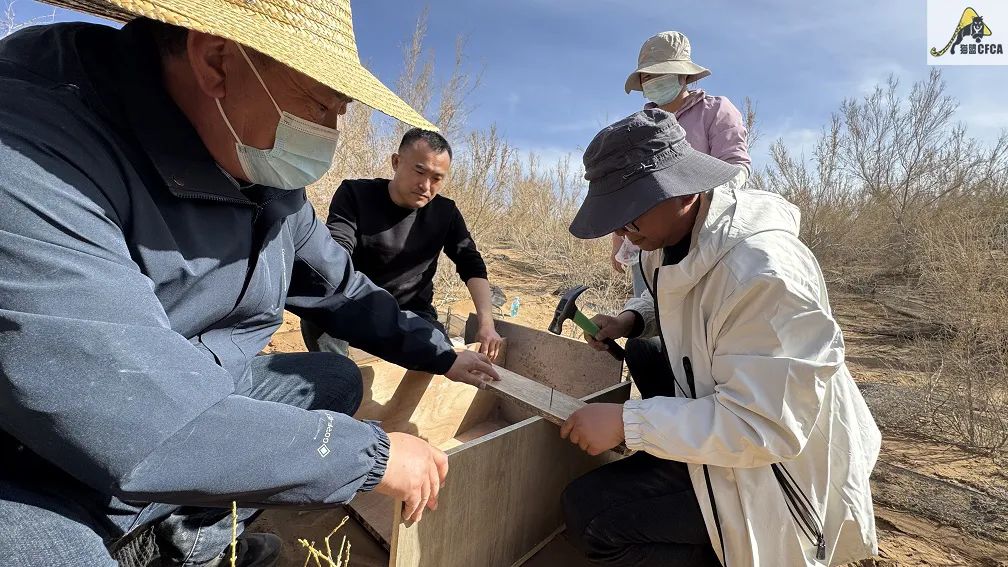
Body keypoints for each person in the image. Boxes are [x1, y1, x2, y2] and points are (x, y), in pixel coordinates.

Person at [0, 1, 500, 565]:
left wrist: (442, 354)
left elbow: (343, 290)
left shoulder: (264, 177)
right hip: (41, 466)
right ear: (217, 61)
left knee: (333, 380)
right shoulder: (31, 151)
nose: (330, 133)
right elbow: (124, 406)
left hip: (196, 396)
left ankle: (191, 546)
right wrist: (369, 456)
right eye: (321, 106)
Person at [559, 110, 881, 566]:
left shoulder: (765, 274)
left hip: (777, 473)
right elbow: (678, 294)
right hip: (730, 421)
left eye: (629, 216)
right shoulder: (665, 237)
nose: (620, 231)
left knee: (590, 515)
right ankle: (676, 469)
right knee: (645, 350)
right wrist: (631, 320)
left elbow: (763, 426)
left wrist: (628, 424)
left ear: (684, 192)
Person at [301, 128, 504, 361]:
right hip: (356, 301)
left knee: (445, 357)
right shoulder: (356, 194)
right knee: (318, 319)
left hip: (412, 312)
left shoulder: (445, 212)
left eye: (437, 178)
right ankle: (341, 374)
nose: (426, 186)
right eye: (420, 171)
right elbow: (337, 252)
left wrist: (486, 325)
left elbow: (471, 265)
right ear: (396, 162)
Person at [611, 30, 751, 298]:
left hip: (702, 239)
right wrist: (619, 238)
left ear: (683, 75)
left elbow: (736, 166)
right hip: (645, 242)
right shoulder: (637, 126)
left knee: (695, 309)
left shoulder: (715, 111)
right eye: (646, 76)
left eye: (660, 74)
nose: (652, 81)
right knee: (649, 309)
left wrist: (696, 204)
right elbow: (628, 188)